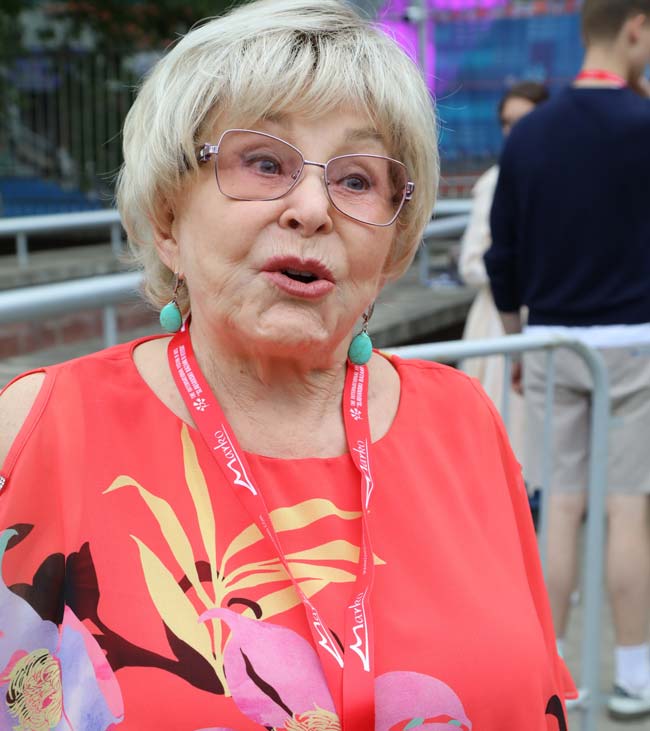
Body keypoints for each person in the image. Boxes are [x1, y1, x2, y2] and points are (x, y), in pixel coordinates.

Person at [0, 1, 574, 729]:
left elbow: (535, 698)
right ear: (168, 219)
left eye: (357, 179)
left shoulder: (465, 421)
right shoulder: (39, 430)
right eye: (264, 162)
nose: (312, 207)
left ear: (392, 245)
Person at [486, 0, 650, 719]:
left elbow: (503, 253)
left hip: (551, 338)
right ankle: (635, 676)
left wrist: (517, 333)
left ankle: (547, 675)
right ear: (635, 26)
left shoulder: (531, 133)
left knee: (559, 511)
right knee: (627, 512)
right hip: (635, 341)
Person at [459, 81, 549, 457]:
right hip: (498, 319)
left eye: (523, 121)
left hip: (545, 315)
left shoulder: (561, 175)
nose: (514, 131)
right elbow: (471, 263)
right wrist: (514, 268)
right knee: (500, 435)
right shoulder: (494, 182)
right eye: (507, 122)